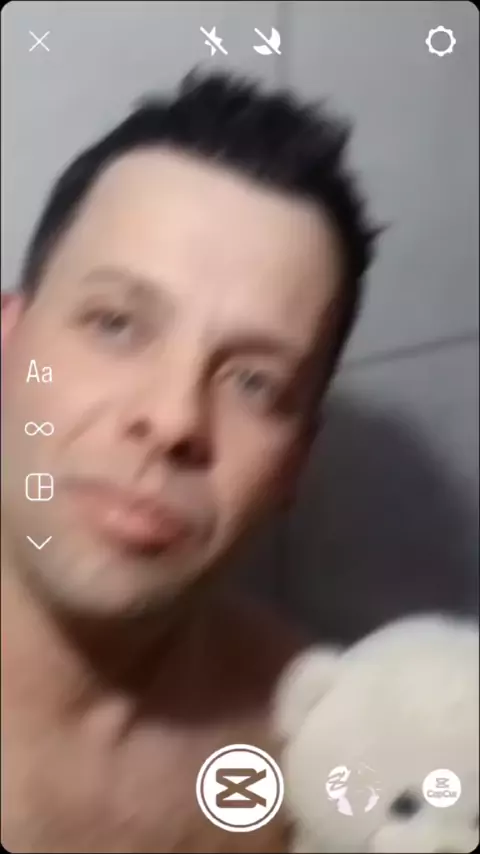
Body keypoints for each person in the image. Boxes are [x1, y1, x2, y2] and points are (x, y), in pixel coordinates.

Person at [1, 70, 378, 853]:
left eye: (255, 383)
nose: (175, 420)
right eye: (115, 324)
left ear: (294, 463)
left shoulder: (317, 744)